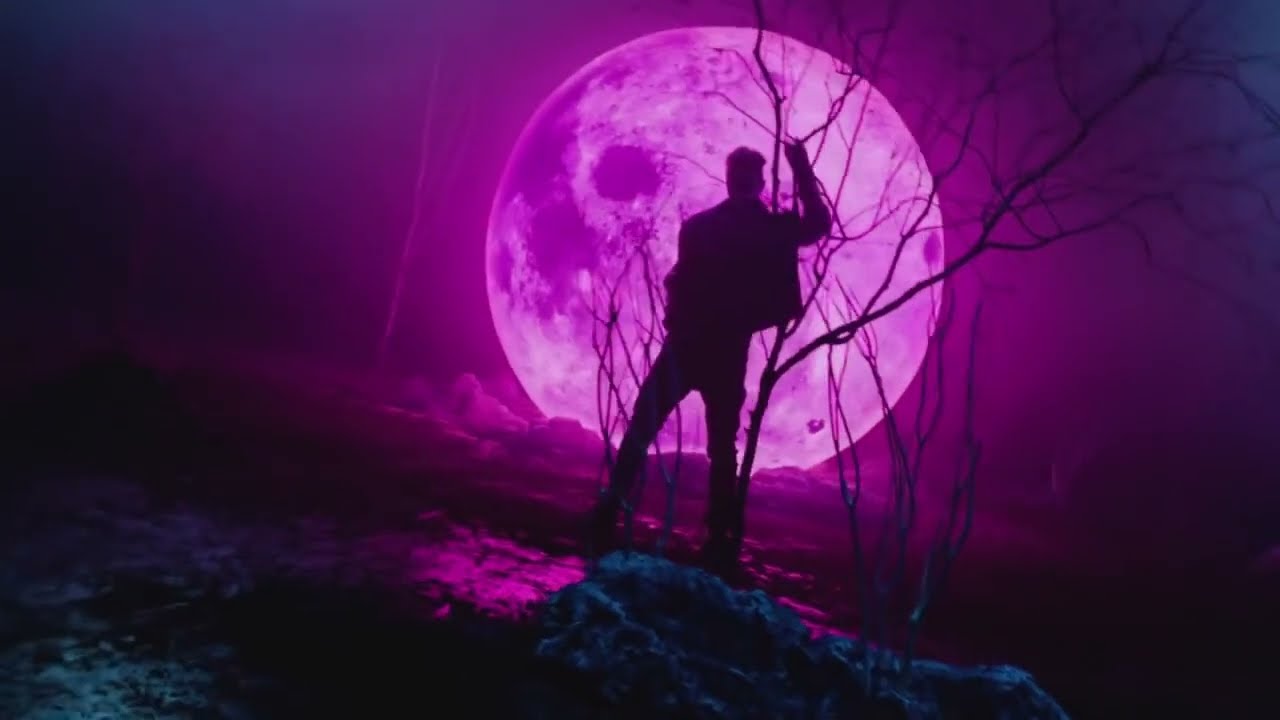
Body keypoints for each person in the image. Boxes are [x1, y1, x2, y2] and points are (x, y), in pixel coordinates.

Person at [590, 139, 832, 557]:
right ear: (758, 184)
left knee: (647, 428)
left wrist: (675, 317)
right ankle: (717, 536)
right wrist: (802, 169)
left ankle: (613, 508)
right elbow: (818, 224)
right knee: (720, 447)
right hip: (722, 350)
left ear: (730, 180)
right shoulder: (768, 229)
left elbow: (681, 279)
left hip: (690, 345)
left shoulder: (701, 227)